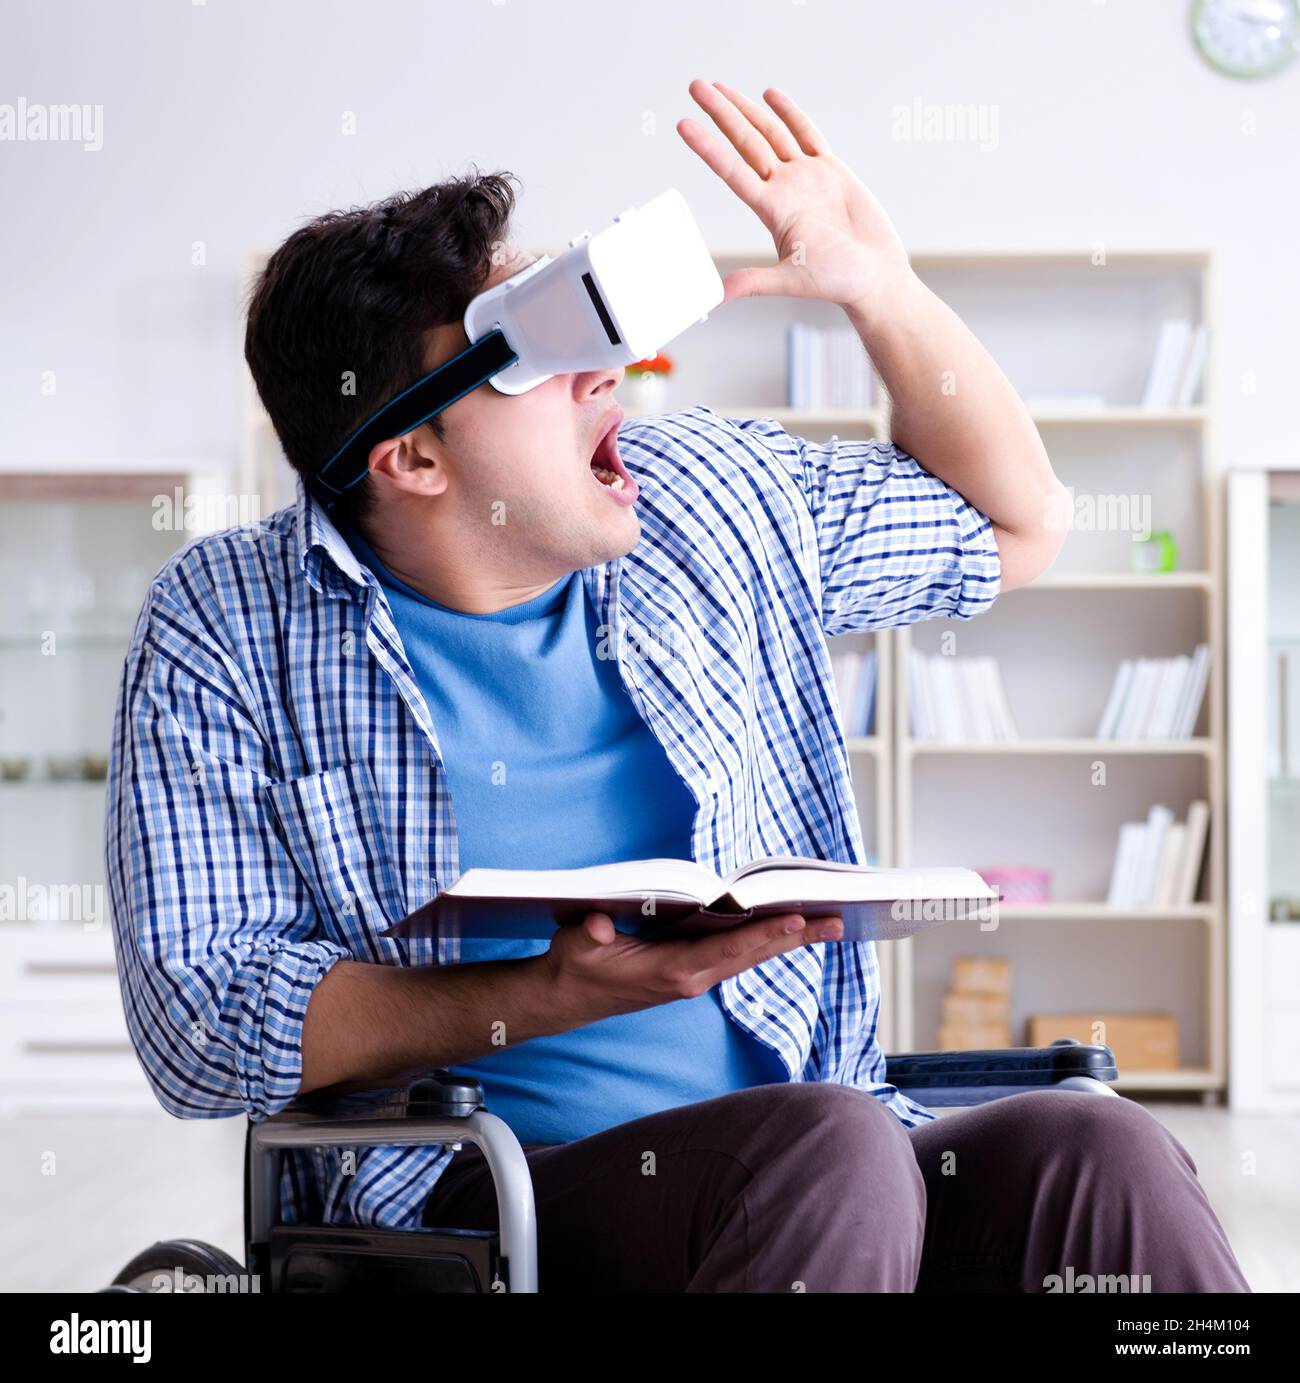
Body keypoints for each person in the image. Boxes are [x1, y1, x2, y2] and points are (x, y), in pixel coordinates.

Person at [104, 80, 1249, 1292]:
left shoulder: (700, 495)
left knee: (1094, 1146)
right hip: (478, 1199)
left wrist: (883, 292)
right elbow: (199, 1023)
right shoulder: (226, 623)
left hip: (824, 1152)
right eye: (539, 351)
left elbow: (1014, 527)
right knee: (825, 1146)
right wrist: (537, 994)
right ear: (412, 455)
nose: (608, 375)